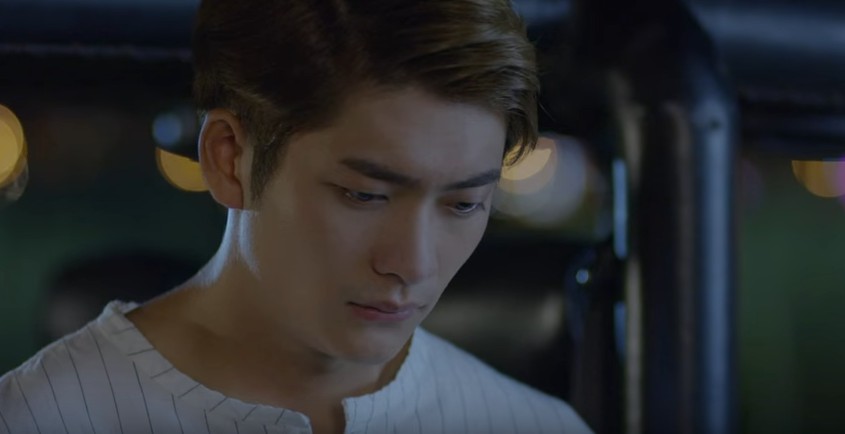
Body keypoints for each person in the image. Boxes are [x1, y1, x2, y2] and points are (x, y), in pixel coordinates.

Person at [0, 0, 593, 432]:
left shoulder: (532, 425)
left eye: (463, 204)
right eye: (364, 194)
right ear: (229, 159)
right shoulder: (41, 419)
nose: (413, 264)